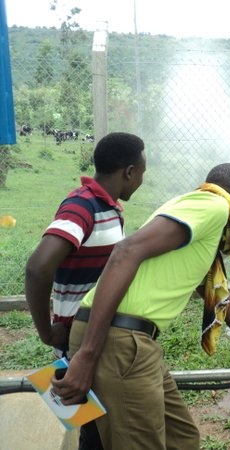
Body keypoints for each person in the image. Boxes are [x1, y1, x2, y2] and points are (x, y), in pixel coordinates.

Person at [52, 162, 230, 450]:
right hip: (118, 340)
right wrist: (87, 354)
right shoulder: (215, 205)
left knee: (181, 438)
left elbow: (225, 306)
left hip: (128, 341)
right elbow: (125, 251)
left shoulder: (201, 232)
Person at [25, 131, 146, 450]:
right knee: (94, 437)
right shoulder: (83, 205)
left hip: (95, 340)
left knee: (94, 432)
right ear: (129, 172)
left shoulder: (109, 208)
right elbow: (38, 267)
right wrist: (46, 333)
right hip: (78, 347)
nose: (142, 180)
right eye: (143, 173)